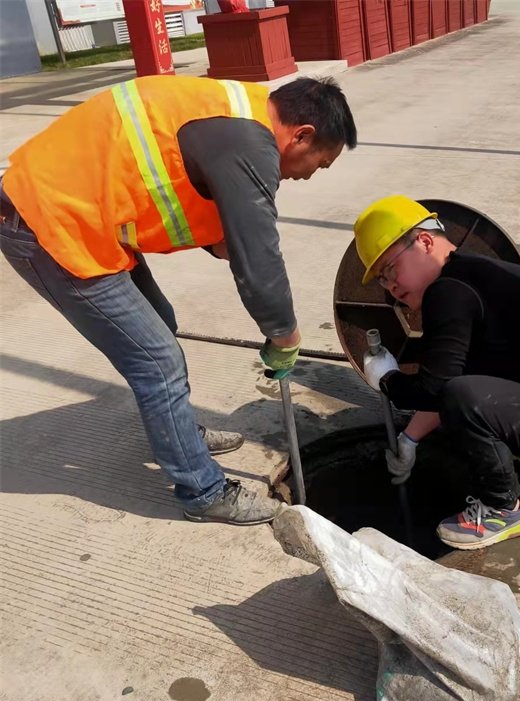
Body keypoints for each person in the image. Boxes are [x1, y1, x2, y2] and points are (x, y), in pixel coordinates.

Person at [0, 75, 357, 525]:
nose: (306, 175)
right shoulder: (248, 140)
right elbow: (258, 256)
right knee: (157, 362)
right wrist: (284, 333)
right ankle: (203, 492)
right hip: (49, 225)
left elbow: (198, 200)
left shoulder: (239, 114)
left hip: (86, 219)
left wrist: (222, 241)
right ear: (302, 134)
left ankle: (180, 433)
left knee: (159, 323)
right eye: (317, 163)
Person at [354, 196, 520, 550]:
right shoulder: (473, 276)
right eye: (383, 282)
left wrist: (389, 380)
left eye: (390, 270)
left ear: (425, 241)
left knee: (461, 399)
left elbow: (439, 389)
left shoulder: (448, 292)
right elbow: (456, 373)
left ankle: (505, 507)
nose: (392, 288)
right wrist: (410, 440)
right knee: (467, 385)